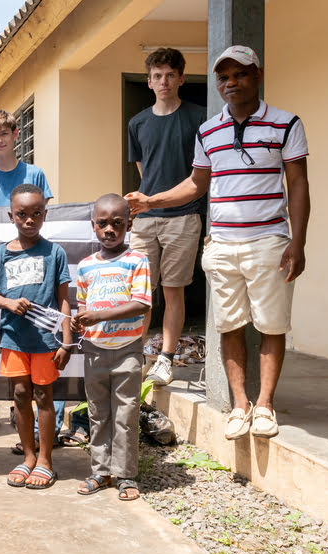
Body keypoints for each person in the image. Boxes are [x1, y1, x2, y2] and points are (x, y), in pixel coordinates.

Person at [126, 45, 311, 440]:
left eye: (240, 74)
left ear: (257, 75)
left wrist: (298, 241)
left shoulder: (286, 123)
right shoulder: (208, 130)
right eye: (223, 77)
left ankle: (265, 405)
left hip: (269, 242)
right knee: (229, 325)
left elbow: (298, 183)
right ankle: (240, 405)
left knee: (271, 326)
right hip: (223, 243)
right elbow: (196, 183)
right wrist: (150, 201)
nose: (231, 83)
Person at [0, 109, 60, 437]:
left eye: (3, 134)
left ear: (16, 134)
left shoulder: (34, 173)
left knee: (23, 334)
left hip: (30, 265)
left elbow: (49, 216)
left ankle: (19, 405)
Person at [0, 184, 72, 489]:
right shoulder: (0, 254)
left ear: (44, 215)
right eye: (22, 214)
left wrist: (67, 340)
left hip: (45, 340)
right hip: (13, 338)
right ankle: (29, 457)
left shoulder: (54, 252)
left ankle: (46, 460)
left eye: (36, 214)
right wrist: (9, 302)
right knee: (20, 394)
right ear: (12, 216)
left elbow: (64, 300)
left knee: (43, 396)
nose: (29, 220)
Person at [127, 47, 206, 386]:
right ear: (148, 81)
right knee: (141, 293)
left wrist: (155, 200)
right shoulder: (137, 123)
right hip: (144, 219)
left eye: (170, 75)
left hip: (184, 216)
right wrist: (149, 203)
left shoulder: (199, 117)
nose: (164, 81)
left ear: (181, 79)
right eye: (157, 76)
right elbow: (145, 171)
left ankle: (165, 359)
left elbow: (199, 176)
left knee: (174, 291)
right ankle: (134, 356)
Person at [72, 194, 151, 500]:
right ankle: (100, 471)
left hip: (127, 350)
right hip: (94, 352)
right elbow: (83, 308)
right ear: (93, 226)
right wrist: (82, 323)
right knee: (98, 413)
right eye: (102, 223)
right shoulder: (86, 266)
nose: (109, 230)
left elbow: (142, 304)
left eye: (117, 223)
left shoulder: (137, 261)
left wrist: (100, 315)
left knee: (126, 414)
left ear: (128, 224)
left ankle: (126, 475)